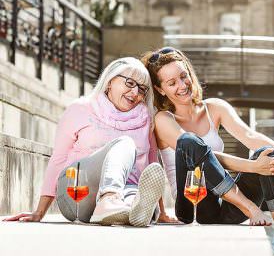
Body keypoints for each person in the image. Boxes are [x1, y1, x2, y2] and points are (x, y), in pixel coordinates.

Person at [142, 47, 274, 256]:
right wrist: (254, 167)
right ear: (160, 89)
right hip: (194, 204)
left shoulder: (214, 108)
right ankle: (251, 208)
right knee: (190, 142)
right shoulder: (163, 120)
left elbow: (249, 136)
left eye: (183, 76)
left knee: (268, 153)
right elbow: (206, 155)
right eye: (171, 82)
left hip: (226, 203)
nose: (182, 85)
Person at [3, 57, 173, 227]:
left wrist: (162, 212)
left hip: (125, 190)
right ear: (109, 82)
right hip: (78, 193)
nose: (135, 93)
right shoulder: (80, 109)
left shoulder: (147, 120)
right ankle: (109, 199)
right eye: (129, 83)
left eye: (142, 89)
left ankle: (132, 210)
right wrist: (39, 212)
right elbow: (58, 159)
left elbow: (151, 168)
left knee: (135, 195)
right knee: (125, 144)